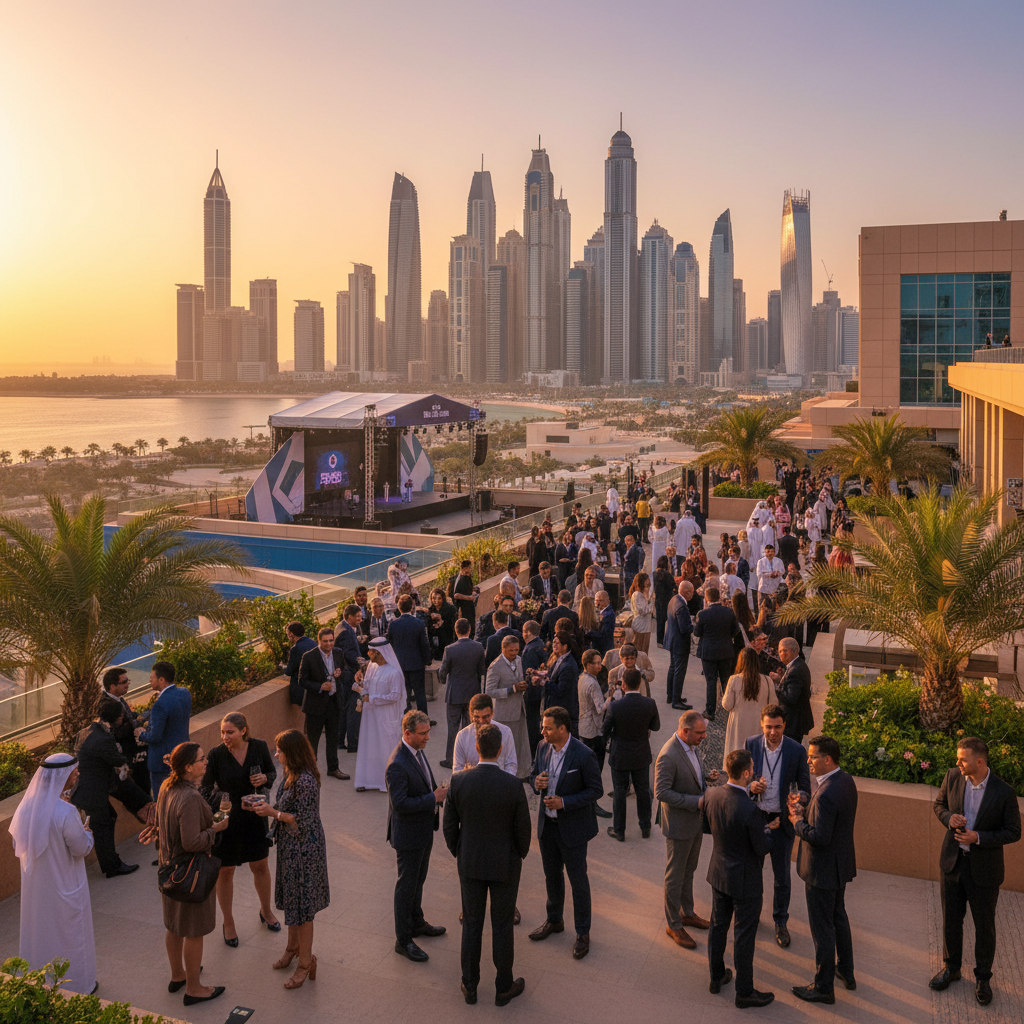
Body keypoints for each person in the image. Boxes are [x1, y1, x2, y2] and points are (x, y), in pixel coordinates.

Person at [444, 721, 531, 1006]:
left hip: (470, 862)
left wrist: (460, 851)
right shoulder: (513, 785)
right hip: (505, 864)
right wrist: (518, 855)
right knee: (502, 925)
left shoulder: (459, 781)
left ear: (477, 748)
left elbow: (449, 826)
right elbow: (523, 830)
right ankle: (503, 987)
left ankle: (470, 985)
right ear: (501, 749)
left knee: (472, 924)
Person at [931, 736, 1022, 1005]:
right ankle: (952, 968)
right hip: (952, 863)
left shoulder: (1004, 792)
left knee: (984, 926)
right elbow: (939, 805)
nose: (957, 763)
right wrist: (949, 818)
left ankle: (983, 978)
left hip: (984, 871)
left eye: (963, 759)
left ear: (979, 762)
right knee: (951, 920)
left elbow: (1013, 831)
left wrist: (978, 837)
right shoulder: (952, 777)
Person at [10, 753, 97, 995]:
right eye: (73, 771)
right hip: (65, 886)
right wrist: (87, 832)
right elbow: (81, 848)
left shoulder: (25, 807)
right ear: (60, 776)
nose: (77, 773)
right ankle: (79, 986)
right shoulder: (66, 812)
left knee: (41, 933)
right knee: (71, 936)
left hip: (37, 888)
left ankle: (41, 982)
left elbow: (18, 844)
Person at [252, 729, 329, 989]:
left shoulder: (305, 781)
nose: (276, 755)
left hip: (304, 852)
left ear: (292, 752)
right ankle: (292, 948)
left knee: (304, 908)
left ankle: (306, 962)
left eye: (280, 751)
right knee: (294, 901)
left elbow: (303, 820)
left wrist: (272, 812)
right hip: (291, 847)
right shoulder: (290, 774)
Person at [153, 742, 229, 1007]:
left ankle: (178, 975)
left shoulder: (166, 786)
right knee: (194, 931)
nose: (205, 762)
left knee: (174, 925)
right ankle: (194, 988)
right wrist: (216, 829)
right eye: (201, 759)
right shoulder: (190, 797)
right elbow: (192, 842)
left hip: (169, 870)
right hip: (189, 874)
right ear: (187, 767)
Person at [702, 749, 776, 1008]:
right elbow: (761, 848)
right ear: (746, 773)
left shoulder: (711, 794)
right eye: (752, 768)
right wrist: (769, 831)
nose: (753, 771)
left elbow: (706, 826)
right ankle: (744, 992)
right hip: (745, 881)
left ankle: (716, 977)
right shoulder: (749, 809)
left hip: (719, 873)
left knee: (718, 926)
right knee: (744, 936)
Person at [527, 706, 602, 960]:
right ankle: (554, 920)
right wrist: (536, 782)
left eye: (547, 728)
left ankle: (582, 932)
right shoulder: (542, 747)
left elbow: (595, 790)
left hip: (573, 830)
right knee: (552, 876)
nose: (542, 732)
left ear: (562, 728)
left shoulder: (584, 754)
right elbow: (533, 773)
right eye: (543, 727)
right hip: (547, 827)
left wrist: (565, 803)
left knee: (578, 881)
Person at [788, 736, 858, 1005]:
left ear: (827, 759)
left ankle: (823, 987)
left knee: (823, 929)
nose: (808, 761)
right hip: (839, 866)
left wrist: (797, 821)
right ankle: (846, 971)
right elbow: (830, 820)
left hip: (822, 872)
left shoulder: (827, 792)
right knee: (838, 916)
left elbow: (819, 837)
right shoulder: (845, 780)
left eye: (813, 757)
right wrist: (808, 809)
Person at [202, 712, 279, 945]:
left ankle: (266, 910)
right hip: (225, 815)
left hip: (255, 813)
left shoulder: (259, 746)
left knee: (260, 865)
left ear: (243, 730)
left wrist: (264, 778)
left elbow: (272, 772)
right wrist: (225, 800)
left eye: (230, 732)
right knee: (225, 871)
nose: (225, 737)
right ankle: (228, 922)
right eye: (222, 732)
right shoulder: (216, 754)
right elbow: (205, 788)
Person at [385, 711, 449, 963]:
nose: (427, 738)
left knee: (418, 881)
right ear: (407, 733)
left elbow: (424, 782)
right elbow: (400, 804)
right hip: (409, 836)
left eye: (428, 732)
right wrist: (433, 798)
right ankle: (403, 940)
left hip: (423, 830)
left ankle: (417, 922)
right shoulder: (397, 764)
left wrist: (436, 791)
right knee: (406, 886)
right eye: (423, 734)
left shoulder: (417, 752)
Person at [746, 705, 811, 948]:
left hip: (782, 822)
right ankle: (751, 916)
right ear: (761, 725)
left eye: (778, 727)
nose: (773, 732)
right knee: (752, 872)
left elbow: (805, 788)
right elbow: (742, 779)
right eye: (768, 727)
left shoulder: (796, 750)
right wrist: (751, 786)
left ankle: (780, 921)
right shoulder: (751, 743)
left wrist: (799, 798)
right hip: (757, 819)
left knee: (781, 877)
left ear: (784, 725)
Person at [655, 710, 719, 950]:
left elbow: (690, 774)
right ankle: (673, 924)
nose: (704, 736)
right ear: (685, 731)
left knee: (689, 869)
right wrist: (697, 802)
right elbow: (661, 792)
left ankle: (687, 913)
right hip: (679, 825)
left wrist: (705, 778)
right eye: (700, 732)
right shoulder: (668, 755)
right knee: (675, 875)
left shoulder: (692, 746)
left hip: (694, 823)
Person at [603, 668, 660, 842]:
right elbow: (656, 726)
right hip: (641, 754)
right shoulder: (650, 703)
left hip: (620, 754)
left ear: (624, 685)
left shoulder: (615, 706)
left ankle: (619, 829)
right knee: (643, 791)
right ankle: (645, 827)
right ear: (640, 683)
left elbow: (604, 730)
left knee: (619, 792)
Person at [352, 638, 406, 792]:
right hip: (369, 716)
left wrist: (372, 698)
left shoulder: (394, 672)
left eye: (371, 652)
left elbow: (395, 696)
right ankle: (366, 780)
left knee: (385, 748)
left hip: (385, 716)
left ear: (380, 653)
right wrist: (360, 683)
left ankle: (385, 782)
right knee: (369, 745)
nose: (368, 654)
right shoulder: (372, 667)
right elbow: (368, 685)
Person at [298, 627, 350, 780]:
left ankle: (333, 768)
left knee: (333, 738)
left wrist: (341, 674)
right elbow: (302, 680)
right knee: (312, 740)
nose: (329, 644)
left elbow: (346, 671)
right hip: (315, 706)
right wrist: (320, 686)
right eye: (325, 641)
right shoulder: (308, 656)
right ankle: (310, 771)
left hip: (334, 703)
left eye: (331, 640)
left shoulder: (338, 653)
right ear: (319, 641)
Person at [137, 661, 191, 799]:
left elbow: (155, 737)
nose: (150, 680)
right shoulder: (184, 693)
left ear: (161, 679)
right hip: (183, 755)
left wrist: (141, 734)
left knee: (162, 801)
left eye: (152, 677)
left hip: (162, 763)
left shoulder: (160, 704)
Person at [438, 618, 486, 768]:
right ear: (469, 630)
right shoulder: (478, 647)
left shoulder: (450, 649)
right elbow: (482, 670)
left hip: (454, 693)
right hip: (472, 692)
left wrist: (443, 681)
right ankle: (470, 758)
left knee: (453, 728)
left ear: (455, 630)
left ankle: (450, 759)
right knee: (470, 728)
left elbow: (442, 671)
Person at [485, 634, 531, 777]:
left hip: (519, 711)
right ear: (503, 649)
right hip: (504, 715)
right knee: (505, 748)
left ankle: (520, 774)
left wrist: (527, 679)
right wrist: (512, 689)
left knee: (520, 746)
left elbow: (518, 678)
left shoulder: (519, 660)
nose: (514, 653)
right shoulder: (495, 666)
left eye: (517, 650)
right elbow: (489, 691)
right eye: (511, 650)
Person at [693, 588, 741, 722]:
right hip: (726, 650)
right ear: (719, 597)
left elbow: (697, 632)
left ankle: (710, 710)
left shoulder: (703, 614)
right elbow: (736, 630)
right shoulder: (729, 612)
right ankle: (729, 707)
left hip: (709, 652)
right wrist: (727, 637)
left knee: (711, 681)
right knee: (726, 680)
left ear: (707, 599)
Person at [576, 649, 614, 819]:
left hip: (584, 726)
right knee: (595, 770)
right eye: (596, 663)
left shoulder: (582, 678)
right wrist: (611, 697)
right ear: (588, 664)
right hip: (594, 730)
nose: (599, 666)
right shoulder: (593, 683)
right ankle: (592, 803)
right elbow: (600, 709)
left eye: (600, 662)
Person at [721, 649, 776, 762]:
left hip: (738, 724)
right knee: (755, 756)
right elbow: (774, 705)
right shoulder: (767, 680)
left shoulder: (734, 679)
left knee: (737, 756)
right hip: (759, 724)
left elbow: (727, 705)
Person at [102, 666, 149, 795]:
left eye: (128, 681)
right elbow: (114, 731)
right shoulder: (107, 704)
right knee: (141, 787)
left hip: (133, 750)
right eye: (123, 682)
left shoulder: (118, 698)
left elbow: (129, 716)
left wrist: (138, 717)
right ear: (112, 686)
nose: (127, 684)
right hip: (128, 755)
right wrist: (138, 722)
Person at [387, 594, 432, 715]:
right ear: (412, 606)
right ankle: (423, 718)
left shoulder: (393, 625)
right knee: (420, 693)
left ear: (399, 607)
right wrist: (427, 660)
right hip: (417, 663)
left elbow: (390, 643)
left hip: (400, 664)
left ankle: (406, 718)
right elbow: (424, 644)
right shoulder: (419, 623)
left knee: (404, 693)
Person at [772, 638, 814, 741]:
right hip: (795, 721)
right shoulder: (797, 665)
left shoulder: (796, 670)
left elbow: (791, 698)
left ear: (789, 652)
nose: (780, 654)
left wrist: (774, 688)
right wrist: (781, 679)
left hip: (793, 724)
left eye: (782, 651)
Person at [665, 581, 694, 711]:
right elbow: (685, 628)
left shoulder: (674, 599)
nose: (693, 595)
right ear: (687, 593)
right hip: (680, 643)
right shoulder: (682, 606)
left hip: (672, 640)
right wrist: (694, 624)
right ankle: (676, 700)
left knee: (673, 667)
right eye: (692, 592)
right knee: (679, 671)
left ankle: (670, 695)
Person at [520, 620, 547, 756]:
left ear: (528, 633)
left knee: (531, 723)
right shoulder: (541, 645)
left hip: (532, 692)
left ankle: (533, 751)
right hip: (540, 690)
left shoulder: (530, 649)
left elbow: (527, 672)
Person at [283, 623, 317, 707]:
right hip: (315, 685)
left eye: (288, 634)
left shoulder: (296, 649)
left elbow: (289, 671)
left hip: (303, 689)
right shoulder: (312, 642)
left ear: (291, 634)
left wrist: (282, 667)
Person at [426, 587, 457, 662]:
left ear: (443, 599)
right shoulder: (430, 610)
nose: (436, 601)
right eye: (434, 598)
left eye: (439, 598)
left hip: (448, 638)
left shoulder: (450, 609)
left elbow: (453, 624)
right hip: (436, 642)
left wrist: (442, 621)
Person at [653, 555, 676, 648]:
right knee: (668, 620)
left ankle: (659, 640)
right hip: (667, 600)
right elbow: (674, 587)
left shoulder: (654, 574)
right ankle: (666, 640)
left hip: (658, 600)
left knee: (659, 621)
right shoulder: (668, 575)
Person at [629, 572, 654, 654]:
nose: (648, 586)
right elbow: (644, 611)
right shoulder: (637, 595)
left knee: (643, 651)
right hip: (640, 627)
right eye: (646, 583)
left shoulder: (641, 595)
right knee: (639, 650)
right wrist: (652, 600)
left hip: (645, 627)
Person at [585, 590, 616, 657]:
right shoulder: (598, 611)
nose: (597, 603)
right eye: (596, 600)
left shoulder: (608, 615)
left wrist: (588, 633)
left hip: (604, 649)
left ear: (607, 601)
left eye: (600, 601)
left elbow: (603, 635)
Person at [452, 559, 478, 631]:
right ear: (464, 569)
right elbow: (456, 595)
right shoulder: (461, 580)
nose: (470, 569)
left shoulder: (467, 577)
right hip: (464, 608)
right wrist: (469, 598)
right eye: (469, 568)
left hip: (470, 607)